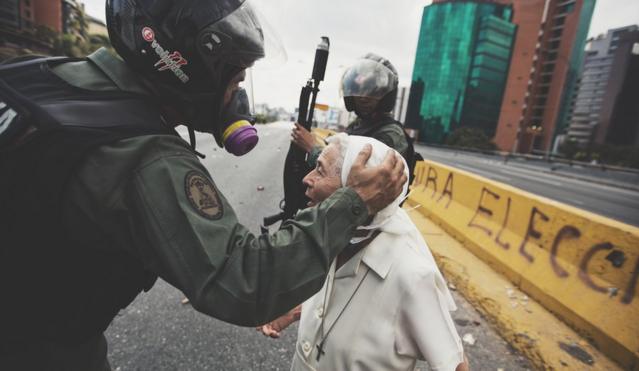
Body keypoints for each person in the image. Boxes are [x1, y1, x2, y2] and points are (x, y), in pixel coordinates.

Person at [0, 1, 406, 369]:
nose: (237, 92)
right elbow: (247, 281)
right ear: (189, 67)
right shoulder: (146, 156)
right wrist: (353, 201)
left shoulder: (39, 76)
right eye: (233, 79)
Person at [258, 134, 468, 371]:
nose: (307, 179)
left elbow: (455, 365)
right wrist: (297, 310)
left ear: (359, 189)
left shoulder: (411, 275)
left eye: (320, 170)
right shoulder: (335, 238)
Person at [291, 53, 418, 174]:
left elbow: (357, 179)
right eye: (358, 89)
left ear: (386, 95)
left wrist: (313, 148)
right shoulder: (358, 125)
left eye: (372, 90)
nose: (363, 96)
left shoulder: (390, 134)